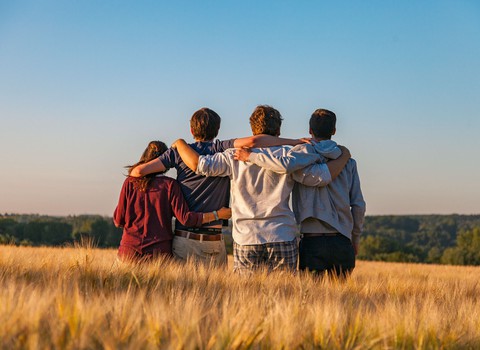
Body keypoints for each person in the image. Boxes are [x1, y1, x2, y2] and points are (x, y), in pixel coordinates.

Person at [171, 105, 351, 273]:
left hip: (246, 237)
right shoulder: (290, 155)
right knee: (284, 298)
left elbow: (201, 165)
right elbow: (319, 177)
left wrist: (180, 143)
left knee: (246, 299)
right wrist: (343, 157)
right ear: (278, 130)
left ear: (252, 129)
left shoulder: (233, 156)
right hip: (282, 234)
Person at [129, 107, 307, 266]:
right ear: (217, 130)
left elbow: (138, 172)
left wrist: (173, 160)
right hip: (215, 239)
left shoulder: (178, 152)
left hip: (184, 238)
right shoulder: (221, 148)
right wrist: (294, 142)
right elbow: (253, 142)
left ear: (192, 130)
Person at [235, 108, 366, 278]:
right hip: (342, 241)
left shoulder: (298, 158)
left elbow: (283, 166)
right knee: (341, 301)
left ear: (310, 131)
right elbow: (358, 205)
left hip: (312, 242)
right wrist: (355, 238)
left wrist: (251, 156)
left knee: (309, 300)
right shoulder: (348, 163)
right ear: (334, 131)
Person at [113, 140, 231, 262]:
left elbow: (118, 220)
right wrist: (217, 215)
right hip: (158, 254)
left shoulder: (130, 182)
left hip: (128, 252)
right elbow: (186, 219)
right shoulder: (170, 185)